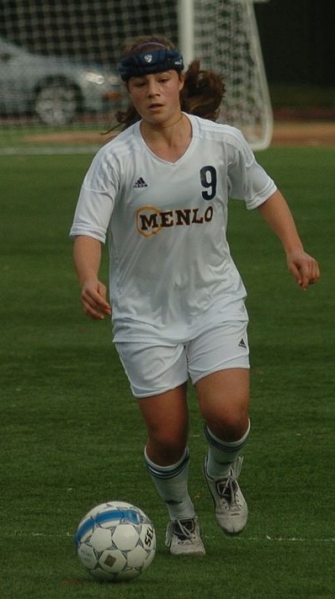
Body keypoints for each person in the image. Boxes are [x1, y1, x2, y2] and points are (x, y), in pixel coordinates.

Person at [70, 35, 320, 557]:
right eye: (141, 84)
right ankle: (182, 518)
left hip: (214, 302)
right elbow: (87, 230)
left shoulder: (221, 141)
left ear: (180, 82)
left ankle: (222, 475)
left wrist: (294, 248)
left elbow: (264, 191)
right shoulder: (115, 159)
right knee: (168, 436)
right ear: (129, 92)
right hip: (144, 315)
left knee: (227, 415)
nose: (154, 91)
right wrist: (89, 278)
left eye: (163, 80)